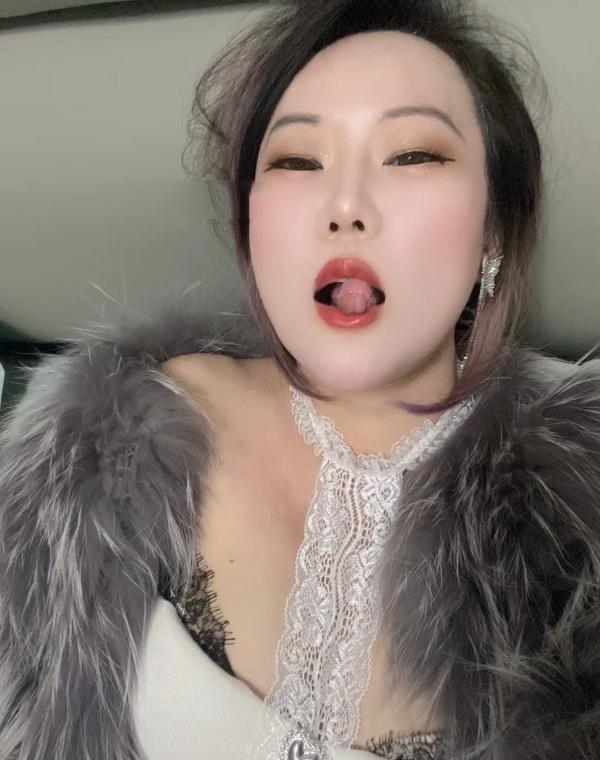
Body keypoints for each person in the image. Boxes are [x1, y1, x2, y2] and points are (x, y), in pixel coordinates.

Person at [1, 1, 599, 759]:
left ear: (495, 229)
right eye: (296, 162)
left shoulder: (582, 508)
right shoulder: (97, 456)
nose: (344, 207)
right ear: (251, 224)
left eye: (412, 155)